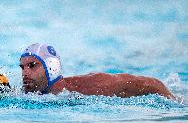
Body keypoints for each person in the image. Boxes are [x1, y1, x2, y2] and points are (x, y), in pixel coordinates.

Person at [19, 43, 176, 99]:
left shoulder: (92, 86)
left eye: (32, 65)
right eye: (22, 67)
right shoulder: (25, 94)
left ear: (51, 67)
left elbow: (152, 84)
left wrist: (173, 100)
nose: (25, 72)